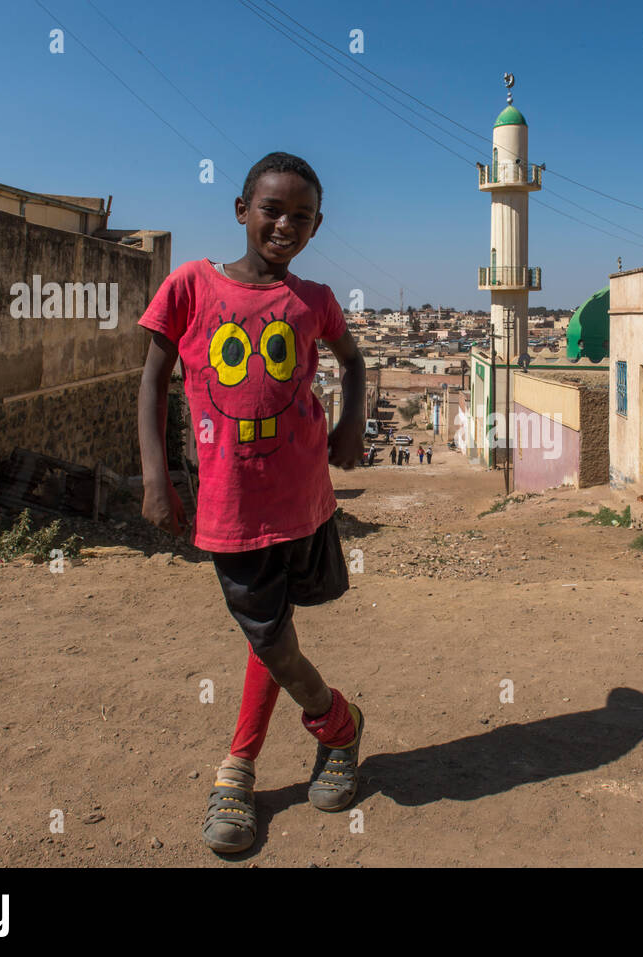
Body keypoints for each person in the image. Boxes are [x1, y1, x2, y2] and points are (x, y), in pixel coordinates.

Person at [138, 152, 366, 856]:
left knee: (270, 630)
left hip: (302, 498)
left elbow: (352, 360)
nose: (284, 224)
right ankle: (335, 723)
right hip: (230, 507)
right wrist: (156, 476)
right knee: (268, 633)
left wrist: (350, 420)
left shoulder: (315, 299)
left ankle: (238, 769)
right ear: (242, 210)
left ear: (317, 225)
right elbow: (152, 384)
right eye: (272, 209)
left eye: (301, 215)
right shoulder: (189, 286)